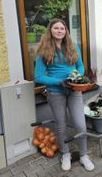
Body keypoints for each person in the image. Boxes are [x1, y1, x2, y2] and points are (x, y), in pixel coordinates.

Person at [34, 18, 94, 171]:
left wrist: (77, 77)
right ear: (50, 30)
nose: (59, 30)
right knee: (61, 125)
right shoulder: (43, 50)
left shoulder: (74, 47)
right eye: (56, 28)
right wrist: (57, 82)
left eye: (62, 28)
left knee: (80, 124)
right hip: (55, 92)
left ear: (65, 31)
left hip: (74, 90)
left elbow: (80, 66)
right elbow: (38, 76)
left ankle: (83, 155)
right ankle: (65, 154)